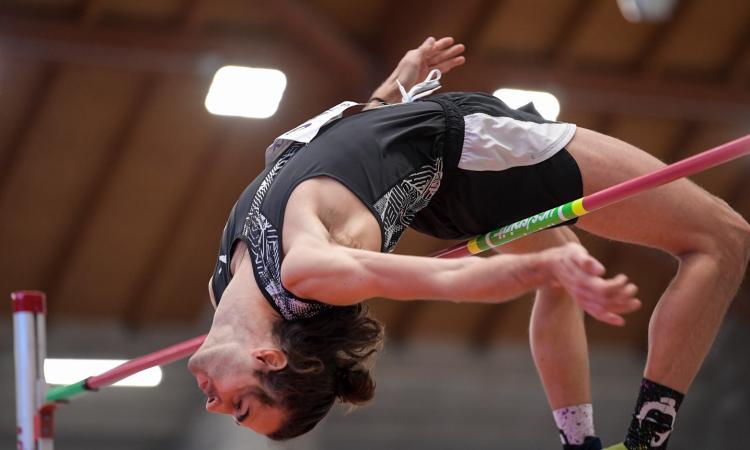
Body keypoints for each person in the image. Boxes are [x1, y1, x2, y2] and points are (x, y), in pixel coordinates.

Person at [186, 36, 750, 450]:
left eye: (234, 409)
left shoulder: (227, 284)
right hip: (474, 153)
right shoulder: (306, 272)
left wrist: (390, 91)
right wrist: (542, 267)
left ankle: (580, 444)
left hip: (436, 187)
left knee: (563, 273)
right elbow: (445, 278)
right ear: (269, 358)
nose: (212, 402)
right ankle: (648, 439)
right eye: (240, 404)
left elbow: (322, 153)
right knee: (723, 237)